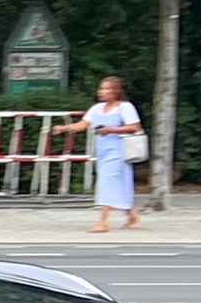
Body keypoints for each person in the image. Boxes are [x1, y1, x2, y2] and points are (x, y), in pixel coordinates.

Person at [50, 76, 143, 231]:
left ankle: (103, 222)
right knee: (116, 184)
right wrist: (64, 128)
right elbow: (83, 124)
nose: (101, 92)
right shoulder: (96, 108)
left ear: (116, 91)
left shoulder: (124, 107)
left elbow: (134, 127)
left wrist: (111, 129)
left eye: (106, 89)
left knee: (106, 181)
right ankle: (131, 213)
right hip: (102, 151)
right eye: (101, 88)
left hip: (118, 150)